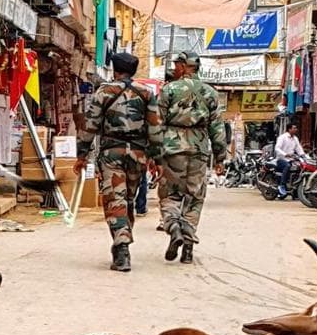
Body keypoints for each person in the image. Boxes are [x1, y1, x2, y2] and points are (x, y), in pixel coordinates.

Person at [75, 50, 162, 273]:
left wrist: (81, 155)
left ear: (115, 70)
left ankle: (122, 247)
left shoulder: (104, 92)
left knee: (116, 199)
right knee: (128, 200)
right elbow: (155, 128)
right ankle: (122, 242)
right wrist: (156, 158)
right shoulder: (146, 93)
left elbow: (90, 126)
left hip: (112, 154)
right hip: (138, 155)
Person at [157, 51, 227, 262]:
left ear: (183, 66)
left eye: (177, 64)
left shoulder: (169, 90)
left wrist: (154, 154)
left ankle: (174, 228)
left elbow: (157, 122)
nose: (175, 68)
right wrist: (220, 157)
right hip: (199, 149)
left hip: (172, 149)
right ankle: (188, 247)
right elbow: (217, 127)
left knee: (169, 195)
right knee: (195, 197)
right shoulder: (211, 93)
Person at [274, 125, 307, 199]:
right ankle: (282, 185)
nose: (296, 129)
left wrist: (304, 156)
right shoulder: (282, 137)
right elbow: (277, 148)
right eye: (294, 128)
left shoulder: (295, 138)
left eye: (296, 128)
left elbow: (299, 149)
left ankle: (295, 189)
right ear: (289, 129)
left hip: (291, 159)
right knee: (287, 166)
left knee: (300, 168)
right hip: (281, 159)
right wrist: (285, 154)